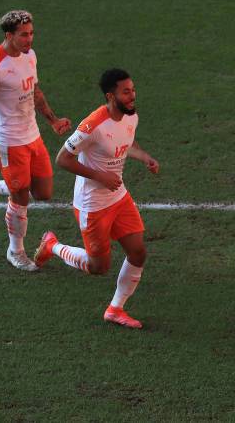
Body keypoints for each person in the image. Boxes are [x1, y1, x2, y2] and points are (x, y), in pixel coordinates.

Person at [34, 68, 159, 329]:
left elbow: (125, 146)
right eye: (126, 92)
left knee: (137, 252)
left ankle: (115, 309)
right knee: (98, 267)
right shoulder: (93, 125)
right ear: (110, 96)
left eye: (133, 89)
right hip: (92, 205)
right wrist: (100, 176)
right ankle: (52, 245)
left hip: (119, 197)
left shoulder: (130, 116)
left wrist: (144, 156)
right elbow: (63, 159)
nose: (133, 95)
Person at [0, 10, 71, 271]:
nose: (29, 39)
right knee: (21, 195)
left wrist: (53, 120)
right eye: (24, 35)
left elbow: (34, 90)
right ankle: (16, 251)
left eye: (32, 33)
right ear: (9, 35)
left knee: (43, 193)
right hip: (8, 141)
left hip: (32, 136)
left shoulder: (29, 56)